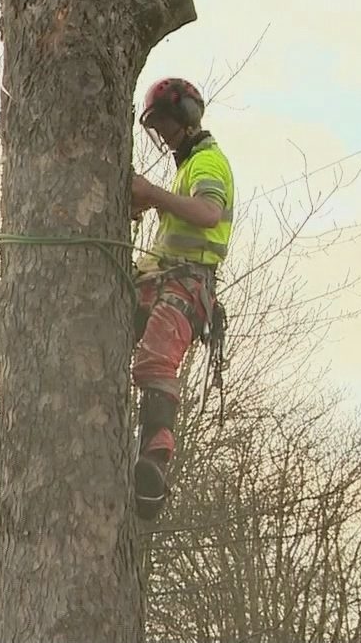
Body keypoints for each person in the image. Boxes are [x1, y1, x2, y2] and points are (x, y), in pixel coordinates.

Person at [126, 76, 233, 522]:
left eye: (167, 124)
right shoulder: (186, 167)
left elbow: (208, 213)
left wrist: (152, 194)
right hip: (163, 278)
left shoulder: (207, 163)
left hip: (186, 286)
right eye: (157, 127)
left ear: (187, 117)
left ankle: (155, 458)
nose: (164, 135)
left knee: (154, 363)